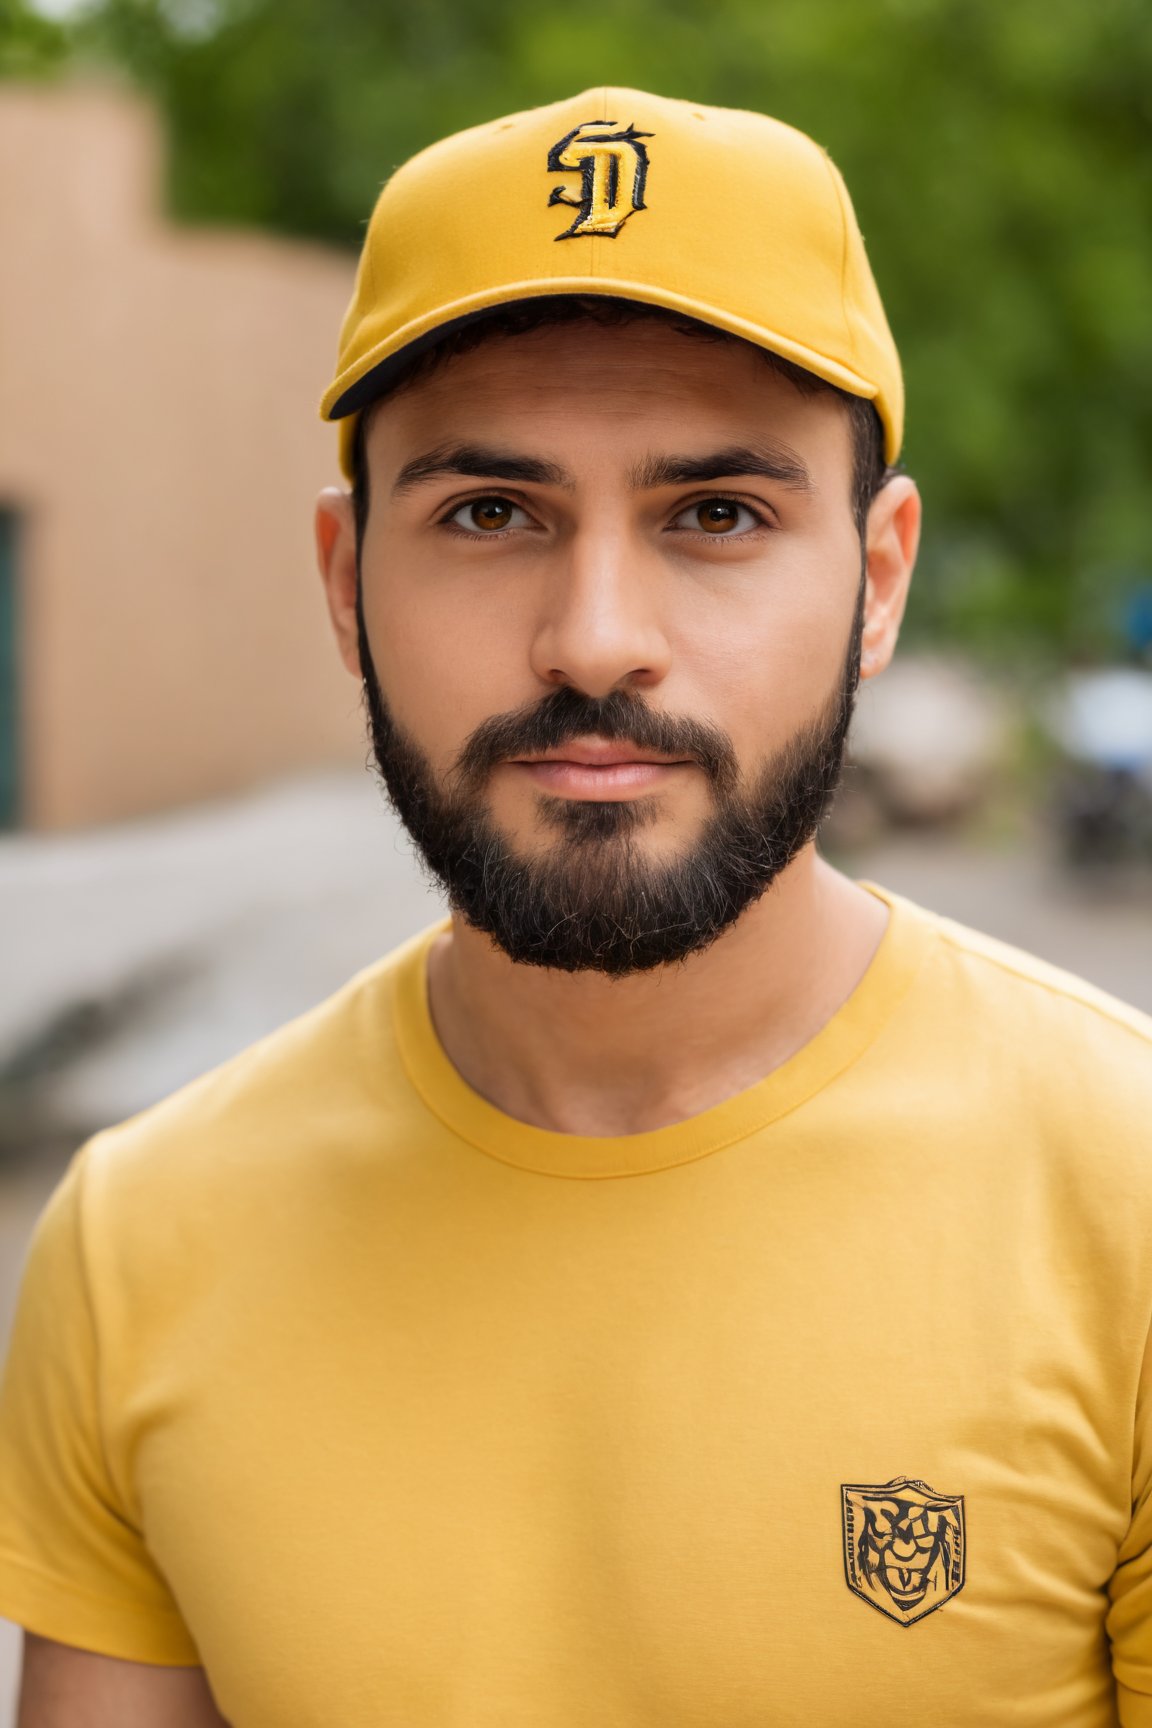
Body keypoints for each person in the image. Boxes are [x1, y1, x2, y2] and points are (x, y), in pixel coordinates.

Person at [2, 85, 1151, 1728]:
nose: (597, 636)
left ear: (880, 579)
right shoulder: (137, 1246)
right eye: (490, 514)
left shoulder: (1131, 1204)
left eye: (716, 515)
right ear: (346, 584)